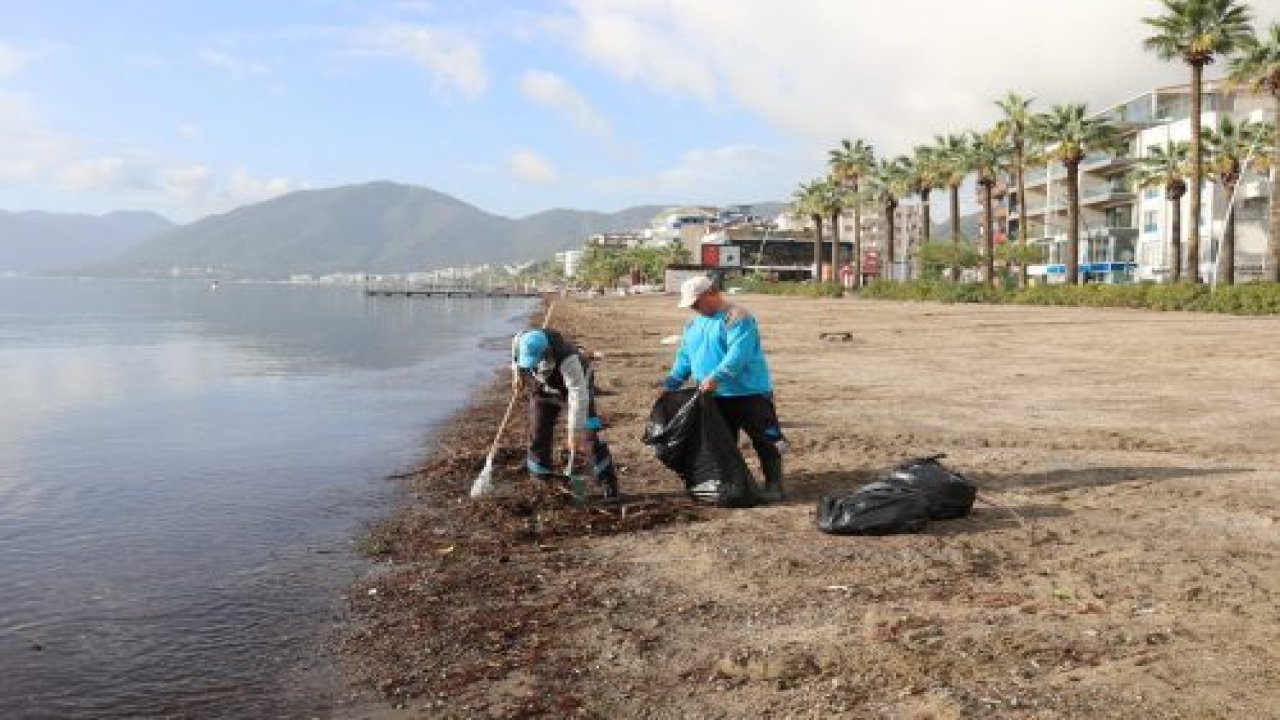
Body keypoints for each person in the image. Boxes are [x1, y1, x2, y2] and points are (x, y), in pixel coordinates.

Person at [662, 276, 787, 502]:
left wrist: (717, 377)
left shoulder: (737, 317)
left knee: (766, 439)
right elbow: (686, 356)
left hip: (748, 392)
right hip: (713, 396)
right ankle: (732, 483)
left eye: (696, 302)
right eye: (691, 304)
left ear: (712, 293)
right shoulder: (693, 324)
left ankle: (774, 485)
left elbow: (739, 354)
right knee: (723, 441)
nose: (693, 308)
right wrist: (673, 380)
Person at [512, 328, 620, 500]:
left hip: (576, 388)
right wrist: (517, 375)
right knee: (538, 431)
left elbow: (578, 397)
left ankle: (608, 483)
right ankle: (541, 479)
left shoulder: (568, 359)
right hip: (542, 389)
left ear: (546, 352)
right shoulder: (520, 341)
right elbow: (515, 356)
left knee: (590, 434)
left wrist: (573, 433)